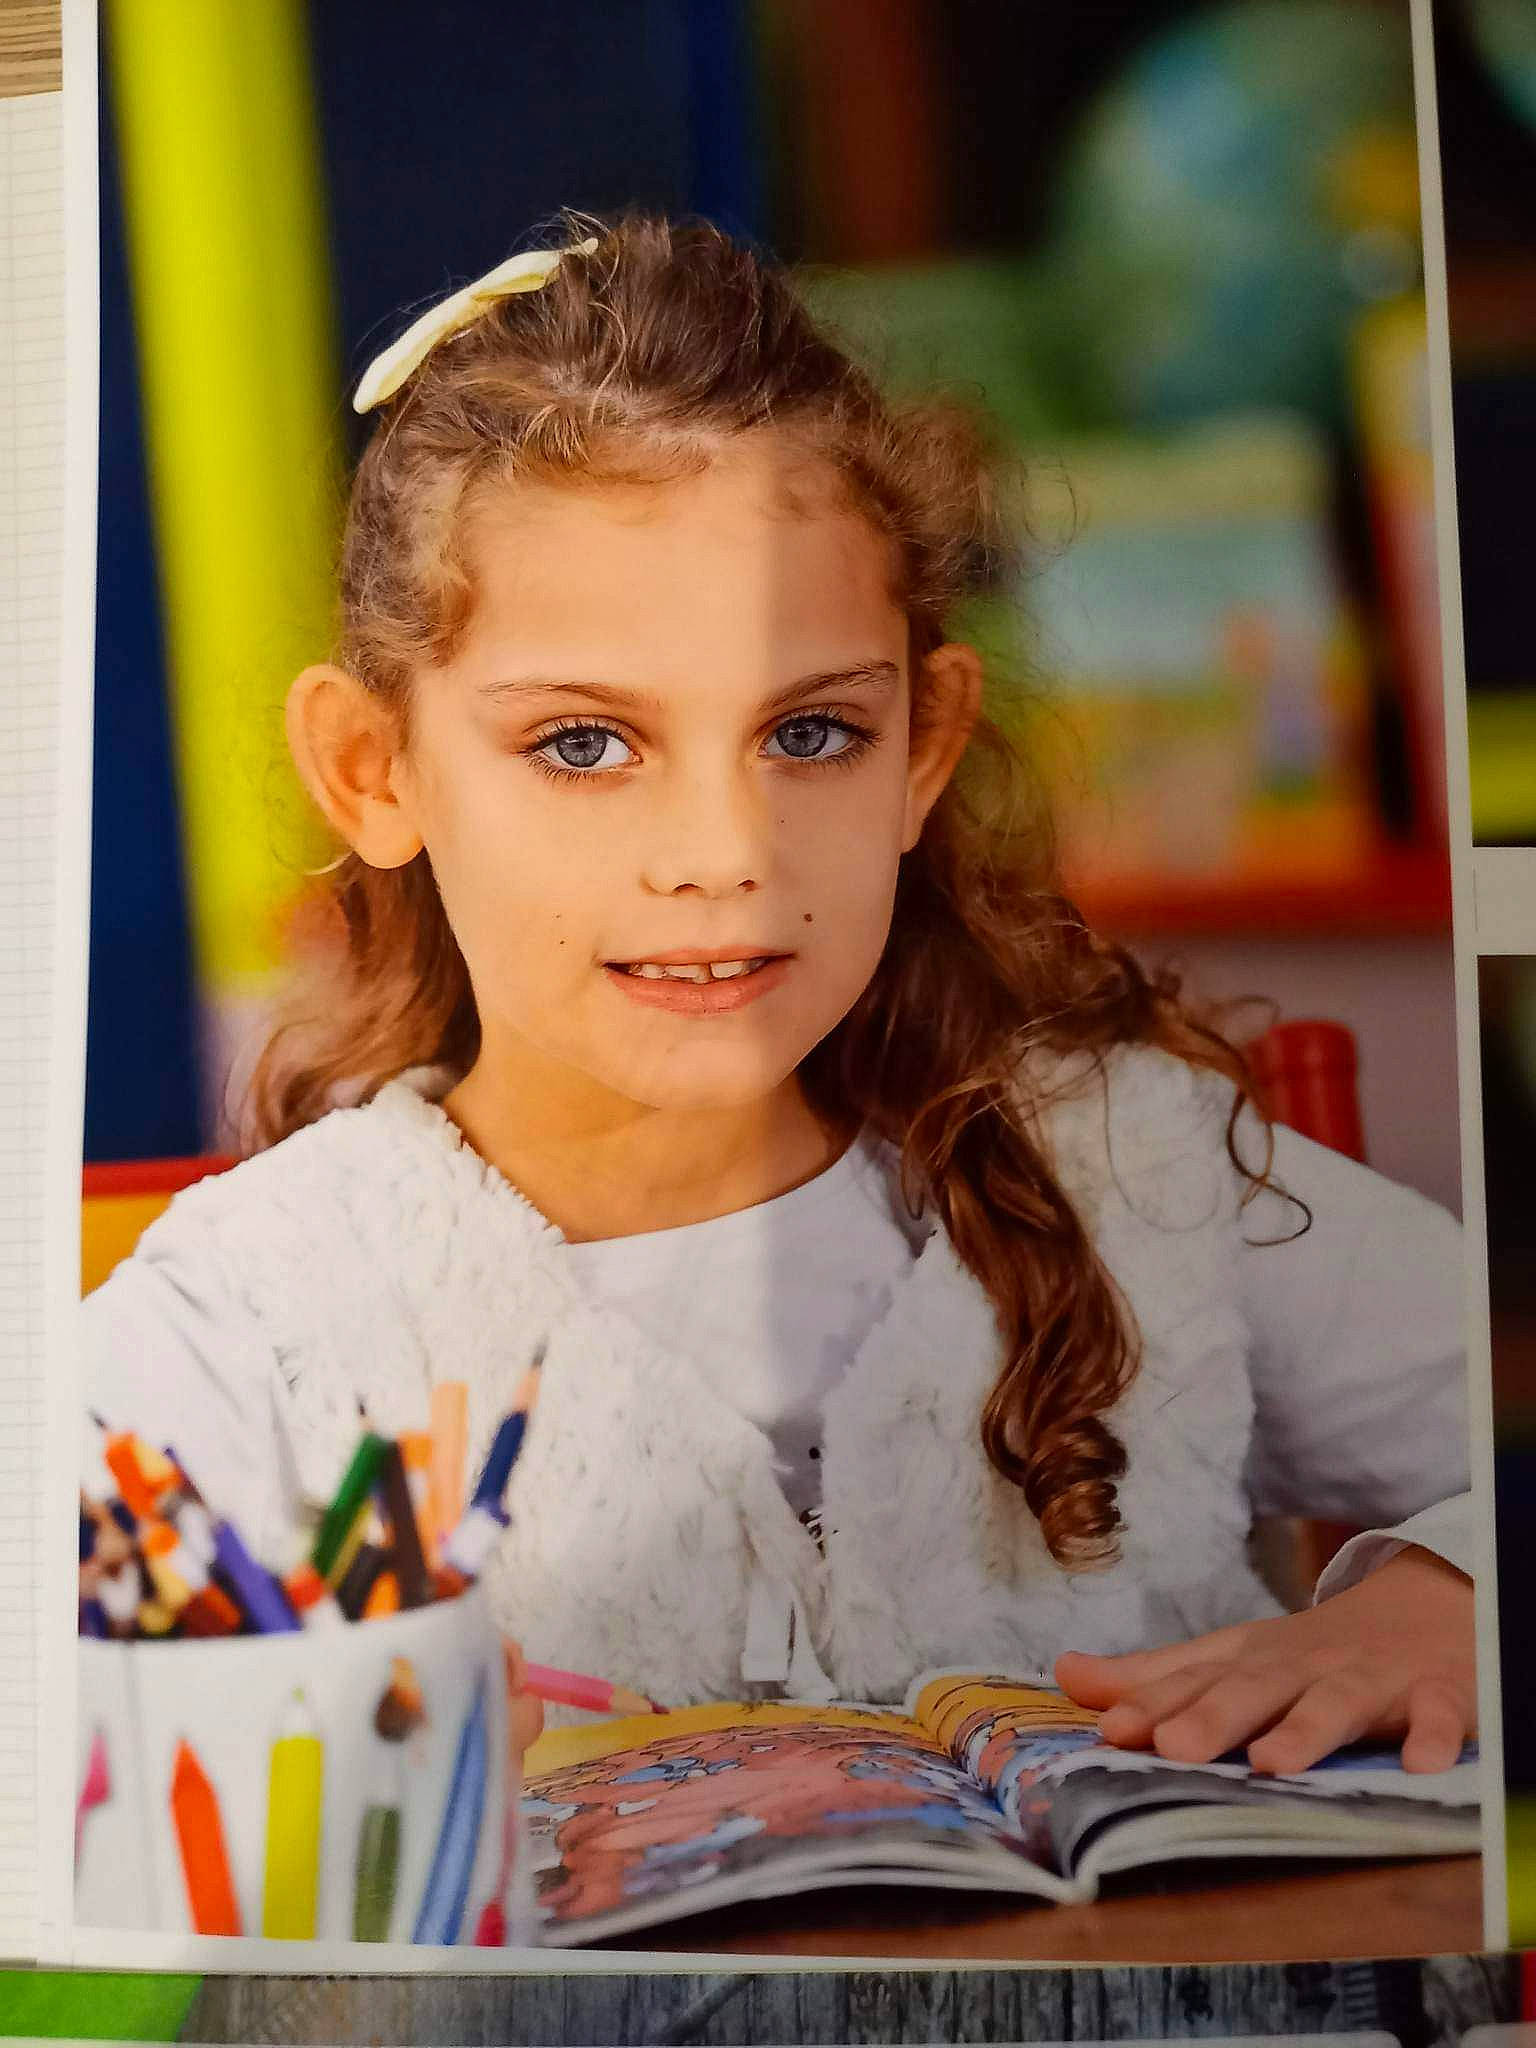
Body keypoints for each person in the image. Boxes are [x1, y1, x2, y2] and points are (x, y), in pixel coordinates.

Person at [82, 212, 1474, 1777]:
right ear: (371, 768)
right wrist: (255, 1748)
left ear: (924, 751)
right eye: (584, 745)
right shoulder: (248, 1324)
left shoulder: (1135, 1174)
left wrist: (1444, 1598)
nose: (722, 855)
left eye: (808, 736)